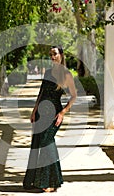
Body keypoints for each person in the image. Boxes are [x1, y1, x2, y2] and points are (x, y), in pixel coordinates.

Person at [23, 46, 77, 192]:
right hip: (40, 114)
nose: (52, 57)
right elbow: (41, 94)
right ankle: (36, 181)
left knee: (47, 143)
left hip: (54, 115)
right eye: (50, 55)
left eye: (55, 54)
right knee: (37, 145)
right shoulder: (47, 72)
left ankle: (50, 182)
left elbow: (74, 96)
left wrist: (63, 113)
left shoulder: (66, 74)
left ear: (61, 55)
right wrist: (34, 111)